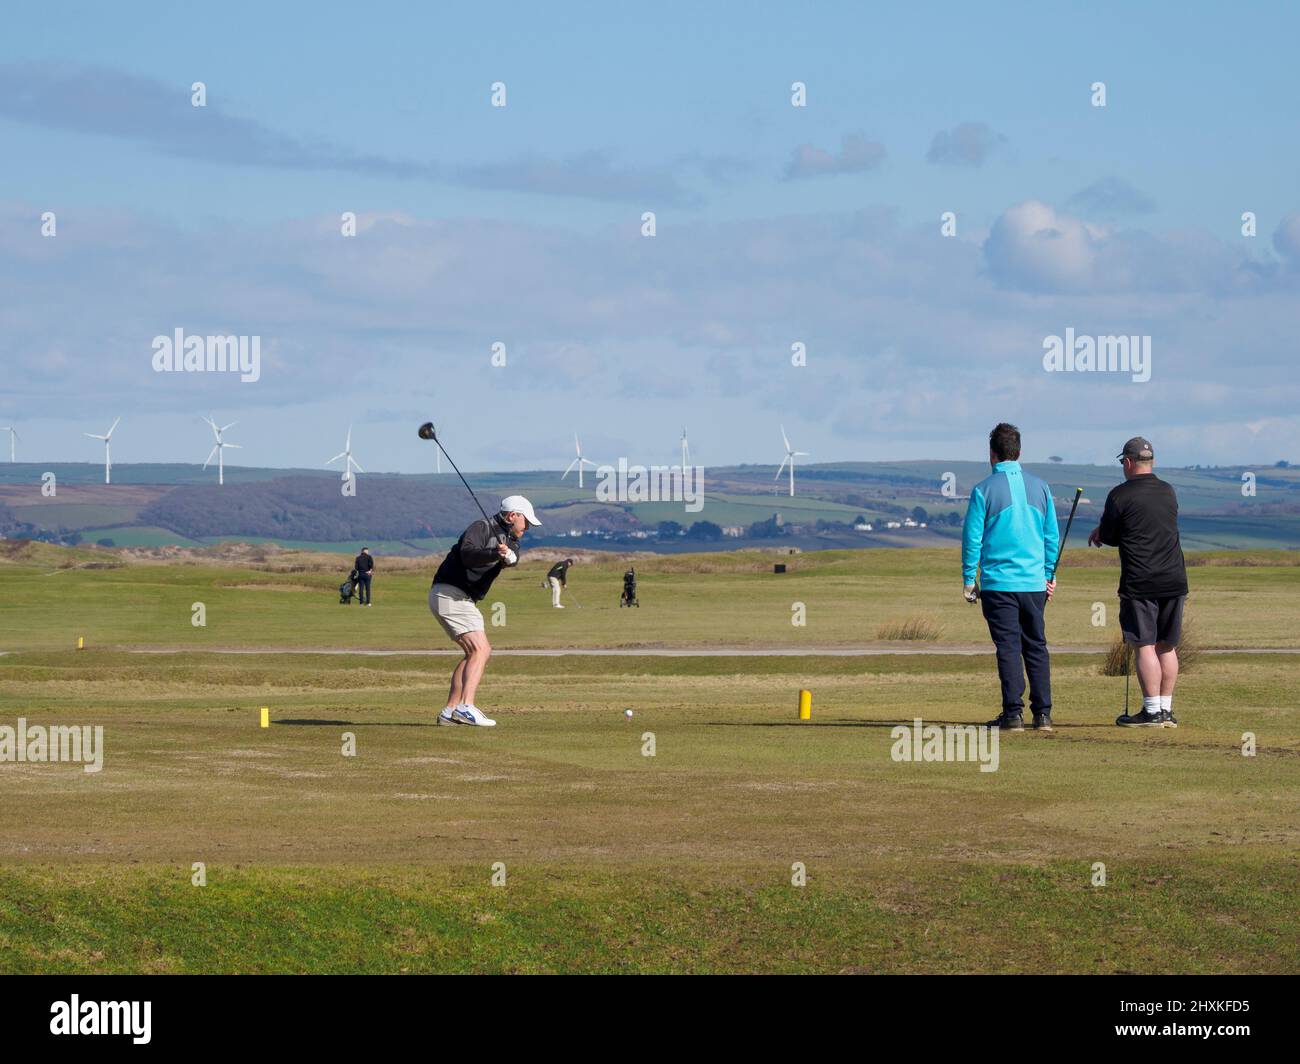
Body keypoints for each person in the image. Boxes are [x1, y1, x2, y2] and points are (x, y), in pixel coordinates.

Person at [962, 423, 1060, 731]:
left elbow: (972, 538)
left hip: (998, 583)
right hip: (1034, 584)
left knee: (1007, 647)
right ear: (1018, 452)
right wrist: (1048, 574)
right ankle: (1042, 714)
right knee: (1036, 646)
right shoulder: (1041, 487)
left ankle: (1013, 713)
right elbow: (1051, 536)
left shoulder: (983, 490)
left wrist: (968, 579)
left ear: (992, 454)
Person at [1087, 437, 1188, 728]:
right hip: (1174, 578)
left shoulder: (1119, 495)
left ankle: (1151, 711)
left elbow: (1111, 535)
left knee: (1144, 645)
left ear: (1129, 462)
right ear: (1151, 461)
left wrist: (1100, 532)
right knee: (1167, 646)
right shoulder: (1168, 491)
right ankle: (1166, 710)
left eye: (1123, 463)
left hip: (1140, 580)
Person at [428, 495, 541, 727]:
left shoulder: (513, 541)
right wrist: (494, 554)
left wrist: (509, 557)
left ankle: (449, 712)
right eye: (526, 521)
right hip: (450, 592)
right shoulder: (481, 527)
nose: (527, 527)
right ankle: (466, 707)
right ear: (512, 516)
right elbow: (468, 555)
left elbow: (514, 558)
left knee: (474, 653)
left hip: (461, 598)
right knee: (481, 649)